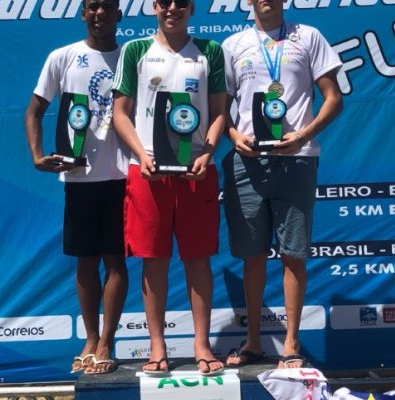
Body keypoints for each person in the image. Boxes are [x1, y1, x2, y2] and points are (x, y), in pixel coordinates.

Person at [221, 0, 343, 369]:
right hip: (248, 161)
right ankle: (254, 341)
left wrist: (304, 134)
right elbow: (220, 107)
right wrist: (233, 136)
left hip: (297, 158)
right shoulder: (233, 45)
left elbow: (334, 99)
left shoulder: (309, 37)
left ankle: (291, 344)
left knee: (293, 254)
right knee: (253, 254)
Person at [111, 0, 226, 376]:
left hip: (196, 170)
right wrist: (140, 154)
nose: (172, 8)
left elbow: (220, 111)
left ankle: (201, 344)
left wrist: (207, 152)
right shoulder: (135, 50)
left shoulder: (210, 51)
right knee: (153, 259)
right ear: (154, 6)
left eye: (181, 2)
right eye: (164, 1)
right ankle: (157, 345)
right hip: (148, 171)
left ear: (192, 8)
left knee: (198, 258)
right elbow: (120, 113)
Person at [23, 0, 128, 375]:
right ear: (83, 13)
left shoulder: (133, 57)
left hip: (122, 176)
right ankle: (90, 337)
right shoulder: (63, 57)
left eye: (107, 7)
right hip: (79, 176)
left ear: (119, 15)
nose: (99, 13)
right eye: (92, 7)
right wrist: (37, 155)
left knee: (115, 261)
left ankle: (106, 341)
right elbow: (33, 111)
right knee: (86, 261)